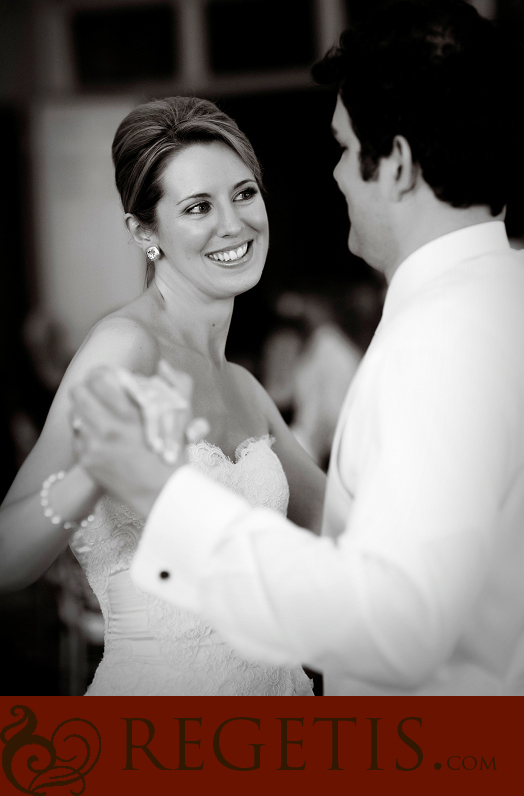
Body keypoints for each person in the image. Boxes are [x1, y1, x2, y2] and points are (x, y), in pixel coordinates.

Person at [71, 0, 524, 696]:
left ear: (398, 164)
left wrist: (160, 492)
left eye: (347, 150)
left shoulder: (444, 337)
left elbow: (397, 628)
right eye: (197, 206)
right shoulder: (509, 298)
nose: (337, 175)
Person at [0, 96, 326, 696]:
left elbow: (342, 529)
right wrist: (99, 469)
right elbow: (7, 557)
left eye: (244, 193)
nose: (233, 223)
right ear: (145, 232)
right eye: (198, 206)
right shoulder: (124, 348)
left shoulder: (246, 388)